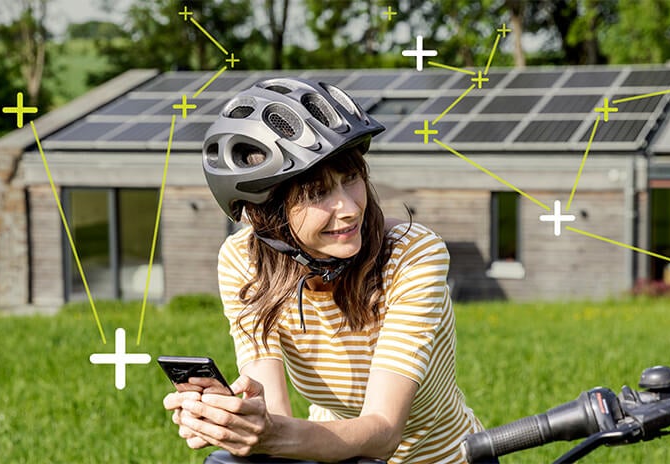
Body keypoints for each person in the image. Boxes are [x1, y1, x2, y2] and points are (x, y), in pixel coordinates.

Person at [163, 77, 485, 463]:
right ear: (268, 214)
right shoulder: (243, 261)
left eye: (351, 178)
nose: (349, 208)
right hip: (336, 455)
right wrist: (239, 421)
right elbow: (276, 417)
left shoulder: (413, 255)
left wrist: (271, 433)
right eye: (317, 193)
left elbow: (383, 431)